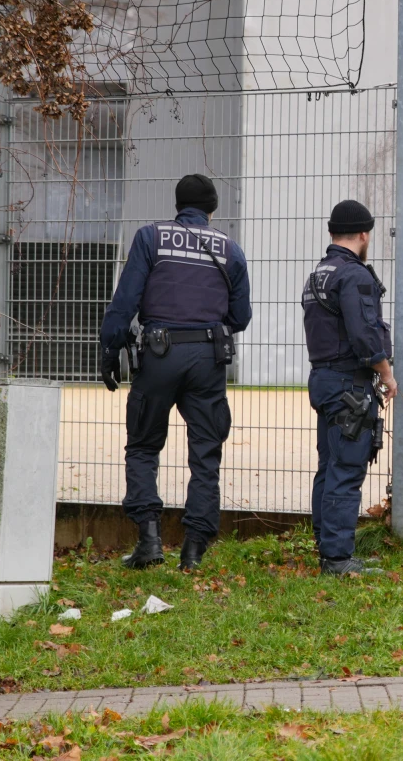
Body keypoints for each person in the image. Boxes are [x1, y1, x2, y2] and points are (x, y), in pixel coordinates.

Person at [99, 174, 251, 572]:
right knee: (205, 453)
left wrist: (111, 346)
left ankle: (149, 541)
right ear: (212, 208)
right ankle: (194, 551)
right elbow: (241, 317)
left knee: (145, 445)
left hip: (159, 354)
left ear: (178, 204)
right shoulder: (230, 250)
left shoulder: (151, 238)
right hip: (208, 358)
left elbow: (125, 299)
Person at [302, 200, 397, 576]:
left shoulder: (318, 274)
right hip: (348, 386)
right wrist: (386, 373)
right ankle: (338, 559)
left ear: (331, 233)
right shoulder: (353, 275)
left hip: (323, 379)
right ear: (363, 234)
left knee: (329, 467)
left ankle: (328, 547)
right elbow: (364, 333)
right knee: (346, 469)